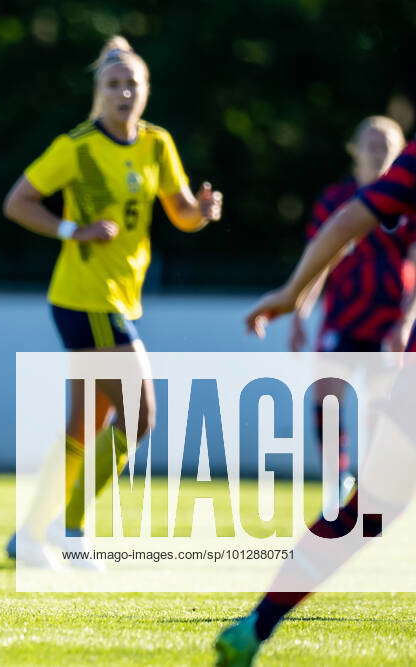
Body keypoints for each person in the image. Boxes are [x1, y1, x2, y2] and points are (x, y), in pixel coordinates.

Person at [1, 36, 222, 568]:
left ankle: (30, 535)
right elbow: (17, 203)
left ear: (146, 91)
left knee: (88, 427)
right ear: (98, 92)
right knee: (140, 414)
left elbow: (182, 214)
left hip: (119, 298)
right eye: (113, 84)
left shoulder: (156, 144)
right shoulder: (75, 146)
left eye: (132, 84)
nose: (124, 92)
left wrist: (204, 212)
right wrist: (73, 228)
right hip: (85, 299)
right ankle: (72, 533)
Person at [215, 139, 416, 665]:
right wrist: (302, 304)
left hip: (392, 333)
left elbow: (353, 221)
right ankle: (339, 472)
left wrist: (289, 294)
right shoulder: (338, 193)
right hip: (353, 324)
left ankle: (257, 625)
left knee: (371, 507)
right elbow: (347, 219)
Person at [288, 117, 412, 501]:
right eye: (370, 142)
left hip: (388, 322)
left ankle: (368, 487)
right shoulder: (335, 201)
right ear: (353, 148)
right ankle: (335, 479)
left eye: (386, 143)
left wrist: (407, 321)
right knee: (326, 395)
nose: (377, 149)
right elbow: (317, 259)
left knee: (382, 406)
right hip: (343, 317)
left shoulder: (408, 203)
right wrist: (299, 312)